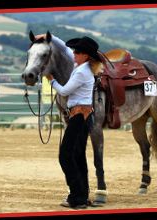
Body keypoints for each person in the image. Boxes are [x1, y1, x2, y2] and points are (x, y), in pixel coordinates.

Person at [35, 33, 102, 209]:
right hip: (83, 116)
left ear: (85, 55)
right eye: (75, 50)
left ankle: (76, 196)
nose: (74, 53)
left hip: (78, 117)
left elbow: (64, 91)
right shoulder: (83, 67)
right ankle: (82, 195)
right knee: (78, 156)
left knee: (65, 155)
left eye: (78, 52)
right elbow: (64, 48)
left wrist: (52, 80)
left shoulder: (80, 72)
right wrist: (49, 37)